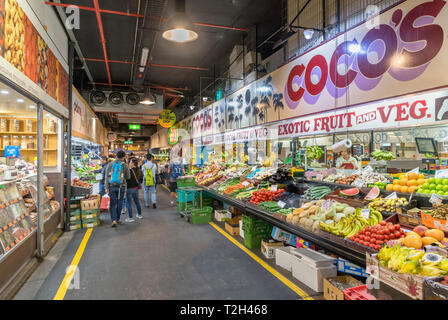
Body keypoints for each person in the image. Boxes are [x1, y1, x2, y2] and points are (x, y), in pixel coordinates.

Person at [105, 150, 131, 227]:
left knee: (113, 203)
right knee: (120, 202)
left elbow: (107, 176)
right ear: (124, 157)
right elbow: (128, 177)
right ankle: (118, 218)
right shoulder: (125, 165)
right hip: (121, 187)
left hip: (112, 186)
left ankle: (113, 220)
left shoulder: (110, 164)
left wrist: (106, 187)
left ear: (116, 156)